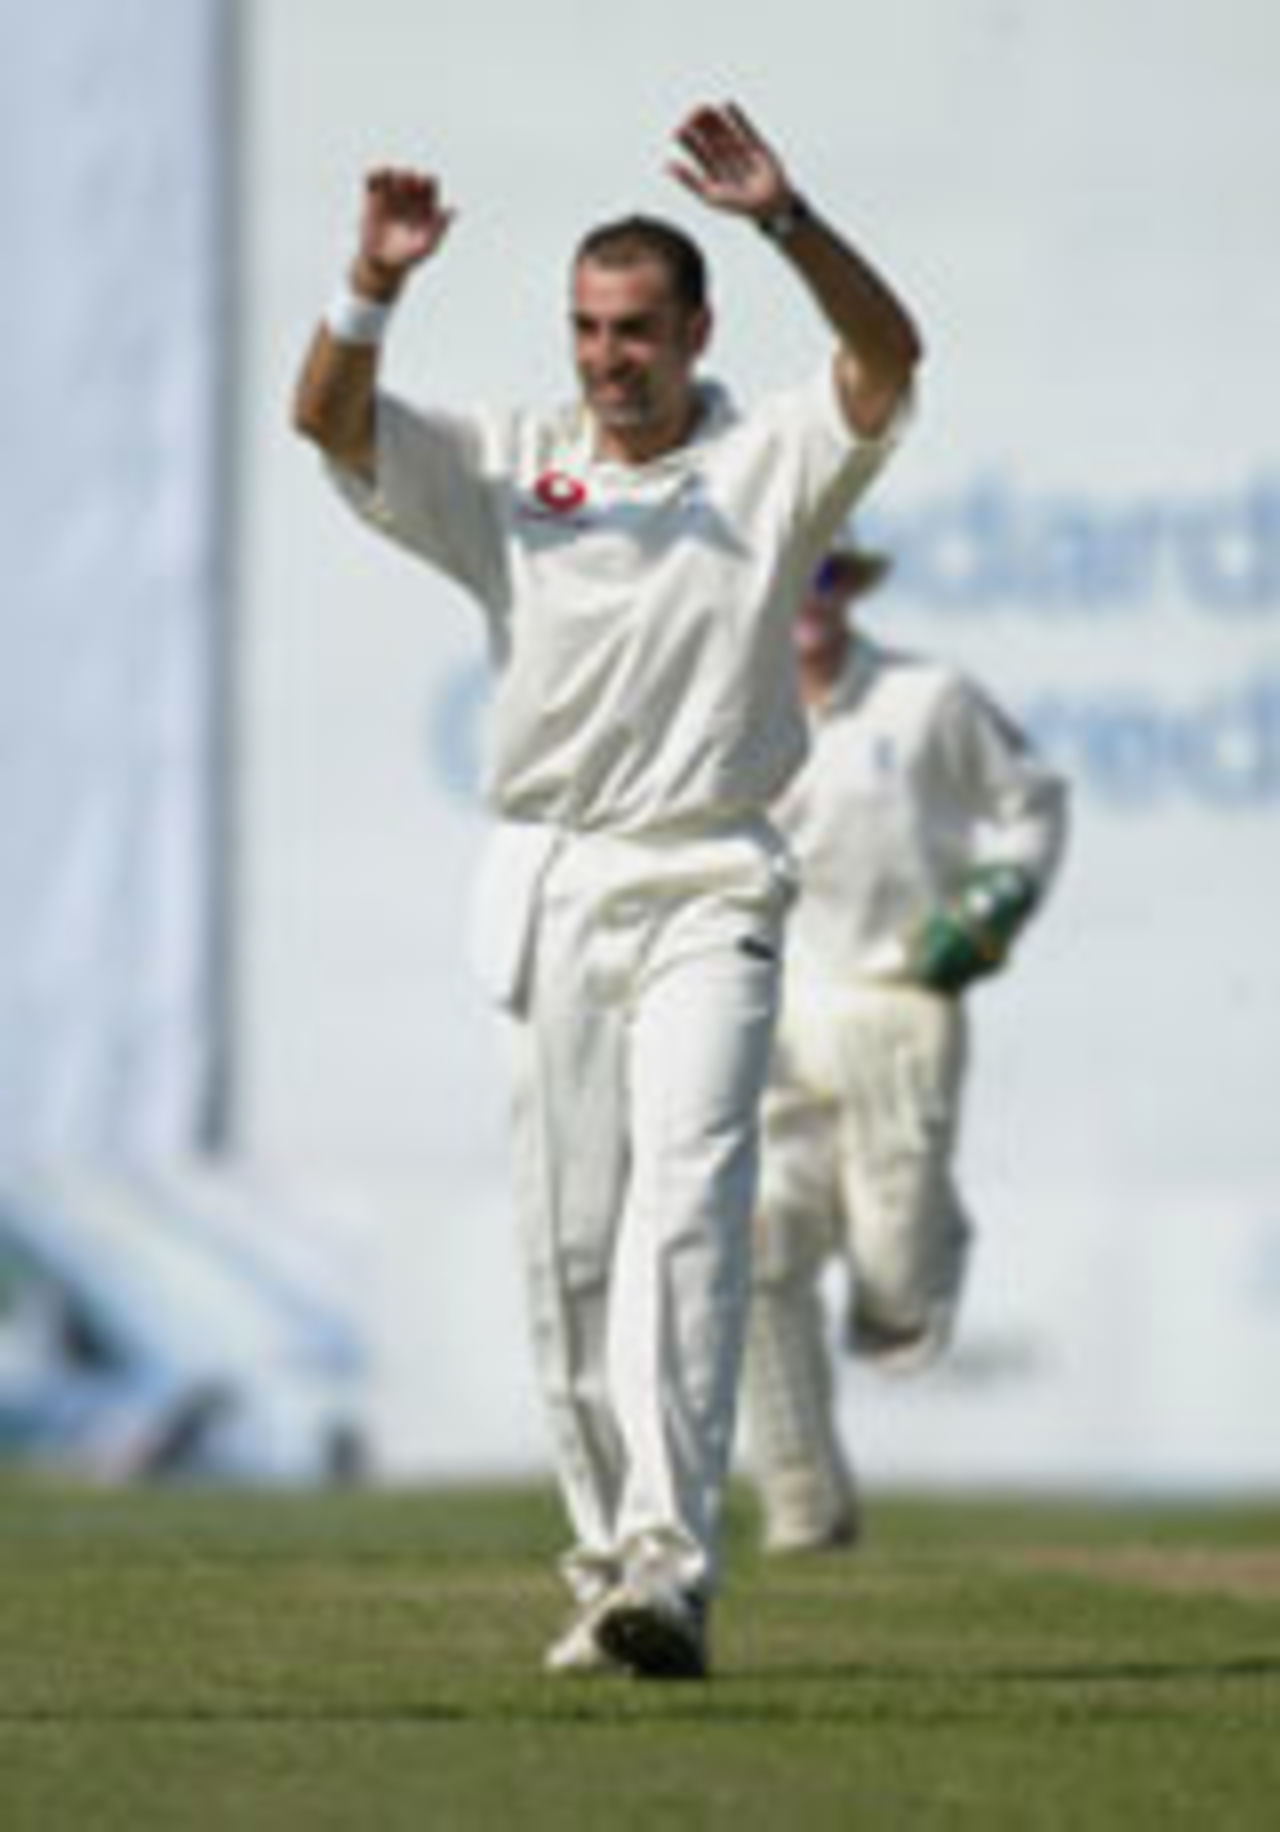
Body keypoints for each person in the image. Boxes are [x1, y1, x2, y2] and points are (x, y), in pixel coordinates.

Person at [292, 102, 921, 1679]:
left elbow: (891, 359)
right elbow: (327, 420)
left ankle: (672, 1568)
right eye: (586, 329)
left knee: (692, 1213)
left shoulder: (768, 458)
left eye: (636, 330)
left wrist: (791, 218)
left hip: (712, 872)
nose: (607, 358)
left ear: (695, 329)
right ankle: (607, 1565)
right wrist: (370, 285)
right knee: (568, 1251)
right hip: (556, 876)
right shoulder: (512, 465)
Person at [740, 543, 1069, 1554]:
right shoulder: (718, 712)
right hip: (771, 1008)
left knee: (892, 1309)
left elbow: (1029, 805)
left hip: (898, 995)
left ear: (848, 591)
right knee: (754, 1246)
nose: (808, 598)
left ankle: (925, 1246)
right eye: (789, 576)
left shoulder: (925, 700)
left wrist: (998, 896)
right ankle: (801, 1499)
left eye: (825, 577)